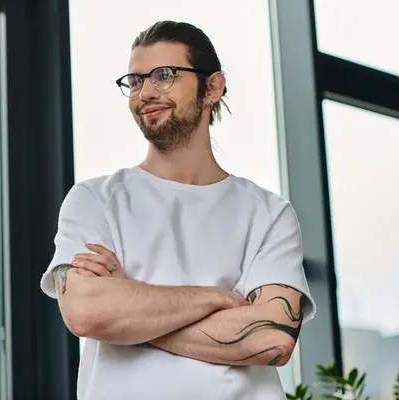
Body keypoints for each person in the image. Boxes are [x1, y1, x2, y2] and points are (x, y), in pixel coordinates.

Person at [40, 20, 316, 400]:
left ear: (213, 87)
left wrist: (131, 312)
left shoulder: (269, 213)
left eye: (164, 76)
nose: (145, 93)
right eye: (135, 81)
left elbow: (270, 339)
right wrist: (214, 299)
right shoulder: (93, 200)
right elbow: (87, 313)